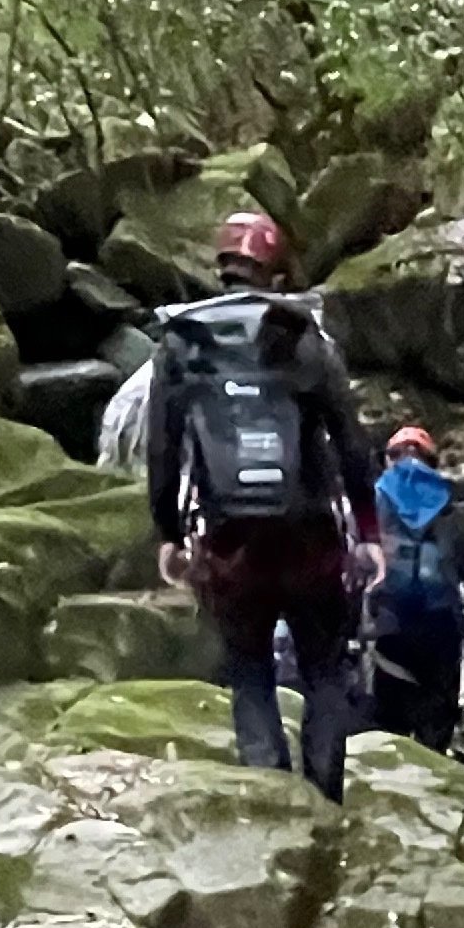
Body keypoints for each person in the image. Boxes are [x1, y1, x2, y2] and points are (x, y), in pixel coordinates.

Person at [144, 206, 377, 803]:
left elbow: (163, 448)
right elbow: (350, 442)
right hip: (310, 541)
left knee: (250, 674)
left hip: (229, 542)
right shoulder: (303, 335)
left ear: (221, 267)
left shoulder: (184, 340)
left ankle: (275, 802)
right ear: (274, 271)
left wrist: (168, 534)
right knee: (325, 674)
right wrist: (370, 532)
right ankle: (324, 800)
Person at [367, 425, 464, 755]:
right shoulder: (451, 512)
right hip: (442, 635)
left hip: (389, 633)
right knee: (435, 738)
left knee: (386, 741)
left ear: (388, 461)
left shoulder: (373, 506)